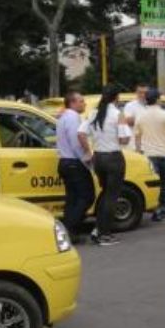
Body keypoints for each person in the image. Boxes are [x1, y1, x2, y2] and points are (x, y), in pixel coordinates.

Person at [86, 85, 128, 246]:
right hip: (113, 158)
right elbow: (124, 139)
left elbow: (81, 133)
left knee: (105, 194)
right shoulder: (117, 114)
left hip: (98, 157)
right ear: (116, 97)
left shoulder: (93, 113)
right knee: (111, 196)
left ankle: (98, 229)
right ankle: (104, 234)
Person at [56, 90, 94, 244]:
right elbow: (76, 142)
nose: (84, 103)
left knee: (72, 199)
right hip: (74, 163)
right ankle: (69, 229)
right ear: (72, 103)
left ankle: (69, 230)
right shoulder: (73, 118)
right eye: (81, 101)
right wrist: (87, 159)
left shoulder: (64, 116)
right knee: (87, 196)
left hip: (65, 162)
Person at [136, 89, 165, 221]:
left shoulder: (140, 116)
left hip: (148, 154)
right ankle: (163, 208)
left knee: (153, 183)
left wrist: (138, 151)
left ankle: (154, 207)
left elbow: (137, 136)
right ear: (158, 100)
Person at [122, 82, 150, 152]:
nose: (143, 95)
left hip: (150, 146)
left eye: (145, 93)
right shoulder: (130, 105)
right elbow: (128, 121)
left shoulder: (152, 105)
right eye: (140, 92)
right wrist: (146, 119)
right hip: (134, 146)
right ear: (136, 93)